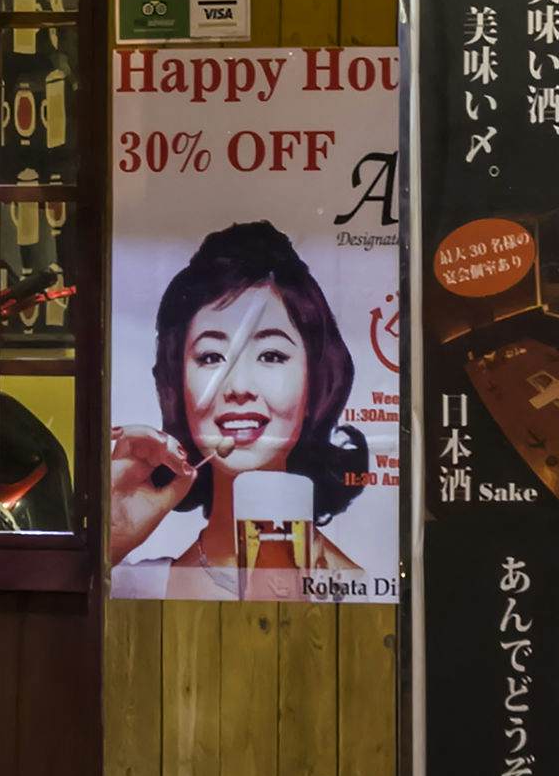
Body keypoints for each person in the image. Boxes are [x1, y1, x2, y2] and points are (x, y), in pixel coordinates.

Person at [107, 222, 375, 584]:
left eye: (272, 355)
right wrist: (116, 534)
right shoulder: (134, 587)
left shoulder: (365, 590)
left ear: (315, 381)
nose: (238, 386)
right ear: (178, 383)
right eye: (211, 357)